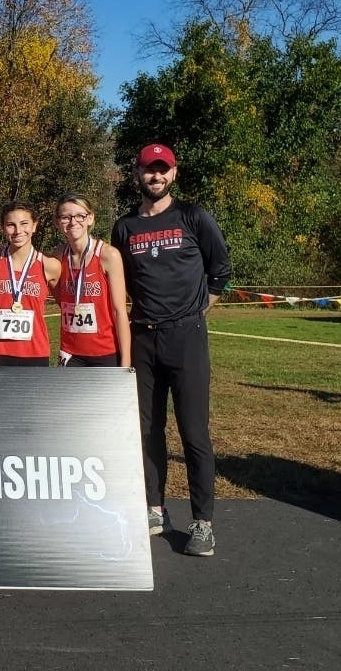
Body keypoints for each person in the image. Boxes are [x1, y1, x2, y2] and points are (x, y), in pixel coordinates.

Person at [110, 143, 231, 557]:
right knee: (146, 431)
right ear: (137, 173)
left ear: (174, 174)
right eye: (148, 170)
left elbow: (221, 273)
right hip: (143, 337)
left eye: (163, 170)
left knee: (194, 432)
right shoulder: (124, 227)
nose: (155, 177)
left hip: (186, 337)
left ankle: (202, 523)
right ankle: (154, 509)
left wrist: (195, 314)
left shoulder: (194, 217)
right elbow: (117, 282)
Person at [51, 193, 131, 367]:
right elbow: (60, 298)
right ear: (57, 222)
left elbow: (119, 311)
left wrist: (125, 363)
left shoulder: (108, 255)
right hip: (70, 352)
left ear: (90, 218)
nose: (73, 222)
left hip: (105, 351)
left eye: (80, 216)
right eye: (66, 217)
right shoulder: (57, 256)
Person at [0, 201, 61, 368]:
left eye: (24, 224)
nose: (18, 231)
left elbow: (67, 301)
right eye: (11, 225)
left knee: (31, 396)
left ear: (34, 226)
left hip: (35, 351)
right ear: (3, 227)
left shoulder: (49, 265)